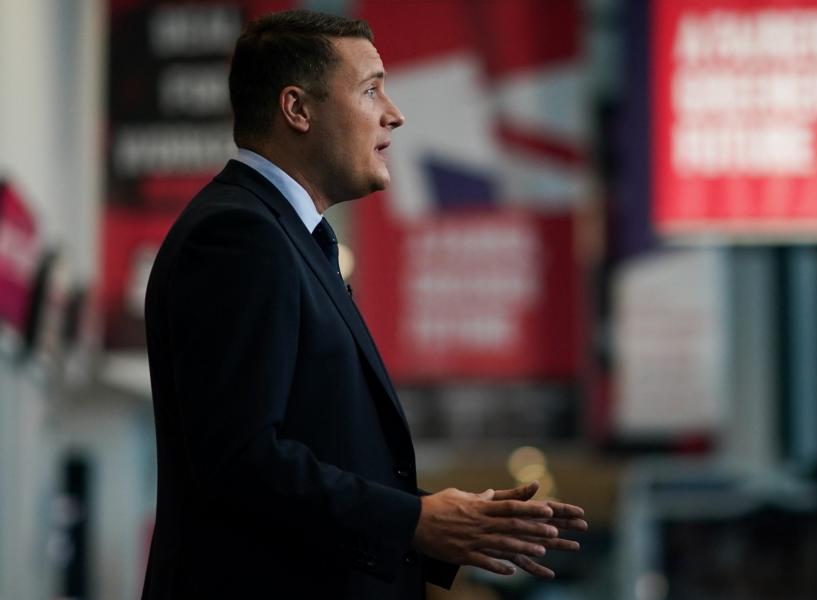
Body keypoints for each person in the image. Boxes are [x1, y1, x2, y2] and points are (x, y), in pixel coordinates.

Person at [140, 10, 586, 600]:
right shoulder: (238, 237)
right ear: (297, 110)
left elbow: (307, 456)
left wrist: (433, 521)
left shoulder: (286, 239)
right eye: (371, 89)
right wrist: (414, 522)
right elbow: (240, 461)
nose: (394, 113)